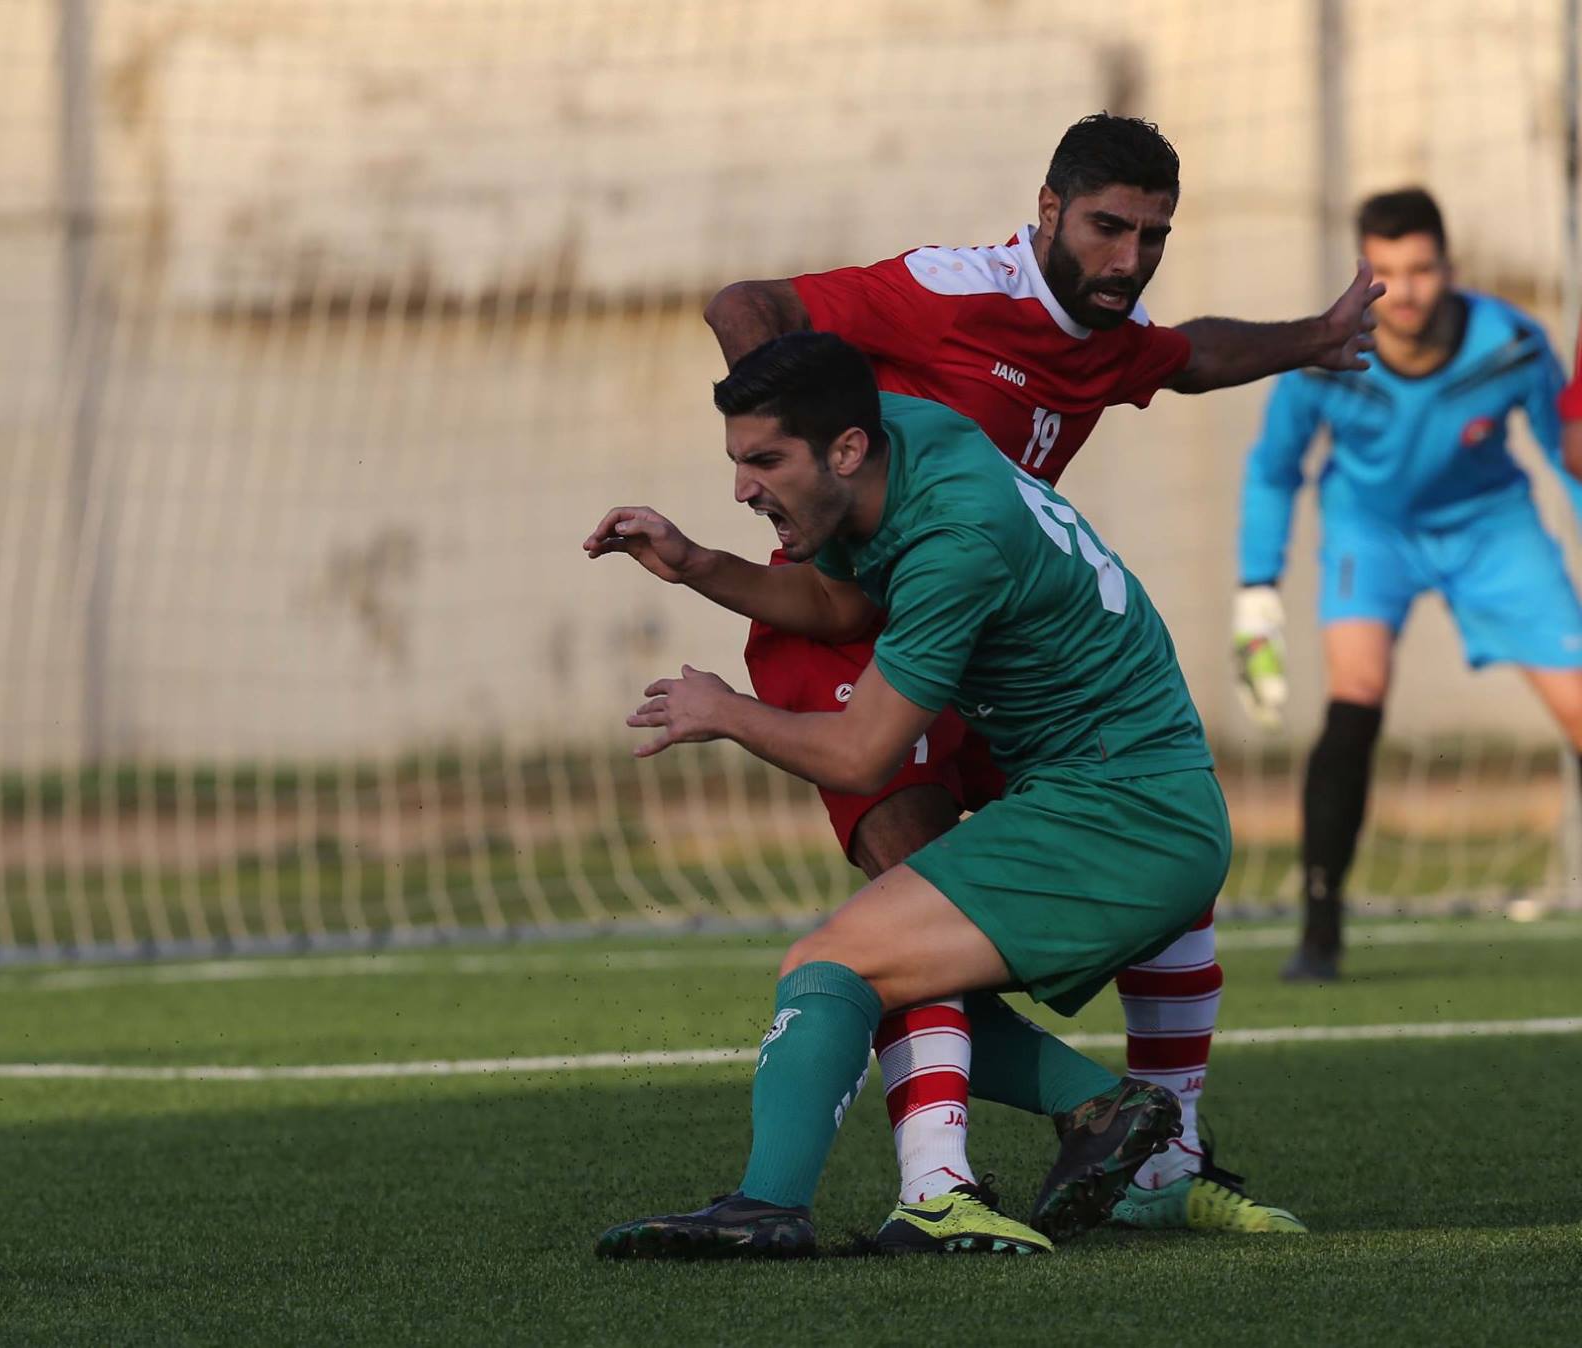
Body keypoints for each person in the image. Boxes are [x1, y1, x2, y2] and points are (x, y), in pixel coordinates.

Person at [699, 113, 1351, 1233]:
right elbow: (745, 304)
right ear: (1046, 209)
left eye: (1150, 236)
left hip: (980, 642)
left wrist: (1314, 334)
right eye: (1106, 228)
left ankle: (1161, 1154)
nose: (1126, 258)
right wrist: (785, 426)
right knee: (915, 895)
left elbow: (1187, 354)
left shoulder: (1102, 331)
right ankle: (936, 1182)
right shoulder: (947, 292)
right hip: (846, 636)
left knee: (1156, 871)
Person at [586, 331, 1228, 1259]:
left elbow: (857, 754)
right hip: (1113, 794)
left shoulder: (954, 541)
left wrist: (726, 711)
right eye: (736, 461)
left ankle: (769, 1207)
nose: (743, 488)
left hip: (1124, 815)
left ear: (846, 449)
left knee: (835, 960)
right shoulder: (911, 436)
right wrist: (695, 564)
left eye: (766, 461)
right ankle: (1096, 1106)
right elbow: (845, 607)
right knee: (874, 962)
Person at [1232, 188, 1582, 981]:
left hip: (1493, 527)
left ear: (1447, 266)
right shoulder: (1326, 354)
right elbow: (1276, 470)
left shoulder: (1513, 342)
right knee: (1354, 697)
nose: (1409, 290)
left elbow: (1569, 452)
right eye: (1387, 272)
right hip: (1371, 533)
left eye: (1422, 269)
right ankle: (1319, 932)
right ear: (1365, 271)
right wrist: (1257, 591)